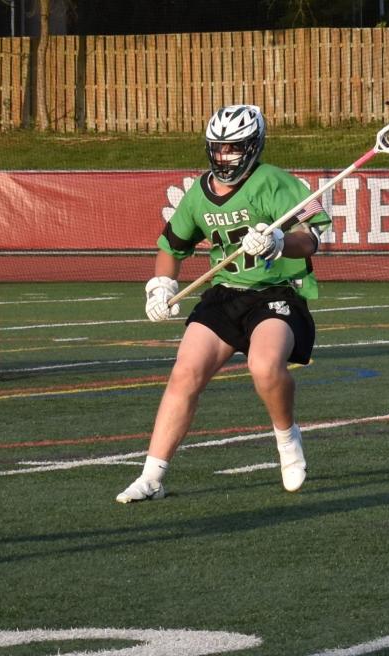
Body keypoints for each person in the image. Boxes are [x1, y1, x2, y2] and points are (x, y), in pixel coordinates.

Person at [116, 104, 332, 503]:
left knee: (264, 366)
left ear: (252, 147)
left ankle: (287, 440)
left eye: (233, 148)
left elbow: (316, 238)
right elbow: (172, 246)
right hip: (225, 292)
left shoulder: (276, 183)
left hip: (275, 293)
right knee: (185, 374)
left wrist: (281, 241)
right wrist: (161, 285)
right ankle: (152, 475)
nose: (223, 156)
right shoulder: (198, 194)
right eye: (217, 148)